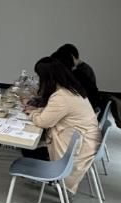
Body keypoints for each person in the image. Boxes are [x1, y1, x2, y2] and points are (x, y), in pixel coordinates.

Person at [22, 57, 101, 195]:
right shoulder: (72, 89)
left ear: (48, 78)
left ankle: (48, 177)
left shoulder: (61, 96)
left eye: (40, 76)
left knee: (28, 149)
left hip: (76, 151)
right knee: (33, 146)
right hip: (85, 143)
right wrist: (38, 111)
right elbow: (55, 113)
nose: (39, 80)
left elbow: (43, 122)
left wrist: (32, 113)